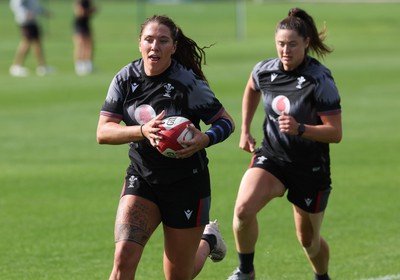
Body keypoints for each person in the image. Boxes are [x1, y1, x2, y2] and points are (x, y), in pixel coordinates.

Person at [97, 15, 235, 280]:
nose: (154, 47)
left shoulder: (188, 83)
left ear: (173, 46)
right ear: (139, 43)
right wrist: (141, 131)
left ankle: (208, 240)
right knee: (123, 259)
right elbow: (103, 131)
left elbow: (225, 122)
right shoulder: (125, 79)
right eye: (149, 40)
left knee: (177, 276)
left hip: (186, 184)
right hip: (143, 178)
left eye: (163, 41)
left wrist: (205, 139)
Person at [228, 7, 342, 280]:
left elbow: (335, 133)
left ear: (306, 43)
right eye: (280, 44)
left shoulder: (320, 79)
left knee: (308, 242)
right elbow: (252, 87)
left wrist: (300, 129)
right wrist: (245, 129)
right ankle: (246, 271)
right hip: (273, 157)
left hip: (309, 168)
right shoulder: (265, 70)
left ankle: (321, 276)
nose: (285, 50)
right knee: (243, 210)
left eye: (292, 44)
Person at [9, 0, 53, 77]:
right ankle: (16, 66)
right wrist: (25, 13)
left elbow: (34, 6)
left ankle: (41, 66)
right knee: (26, 43)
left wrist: (43, 12)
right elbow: (16, 5)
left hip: (33, 21)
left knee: (37, 43)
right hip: (25, 21)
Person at [73, 0, 97, 75]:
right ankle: (79, 66)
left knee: (89, 45)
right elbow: (80, 13)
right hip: (79, 25)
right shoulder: (80, 1)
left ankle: (88, 65)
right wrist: (91, 10)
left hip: (86, 24)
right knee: (80, 46)